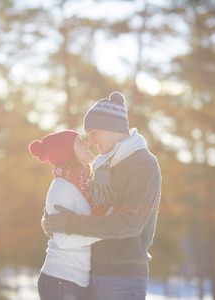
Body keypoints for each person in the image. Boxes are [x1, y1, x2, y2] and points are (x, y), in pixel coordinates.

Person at [43, 91, 162, 300]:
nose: (90, 141)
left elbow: (131, 223)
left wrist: (71, 224)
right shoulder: (101, 166)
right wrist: (53, 221)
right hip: (90, 274)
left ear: (111, 128)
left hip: (122, 278)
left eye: (93, 132)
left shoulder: (143, 164)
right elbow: (85, 206)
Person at [29, 130, 104, 300]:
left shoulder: (83, 185)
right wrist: (102, 232)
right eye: (79, 142)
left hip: (75, 281)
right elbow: (63, 240)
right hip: (61, 280)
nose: (87, 144)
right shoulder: (61, 188)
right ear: (68, 153)